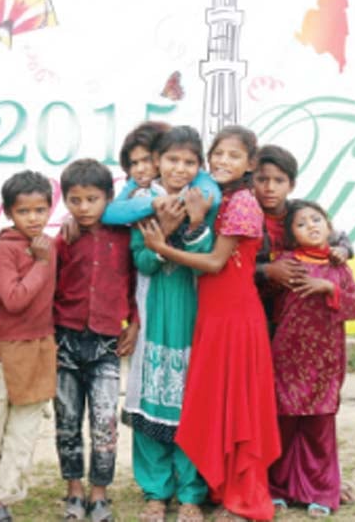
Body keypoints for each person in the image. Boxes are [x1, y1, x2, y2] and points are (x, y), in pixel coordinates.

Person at [139, 126, 280, 521]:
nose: (223, 162)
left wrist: (163, 248)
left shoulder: (243, 204)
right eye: (218, 154)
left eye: (234, 156)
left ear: (250, 163)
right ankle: (221, 489)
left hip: (235, 316)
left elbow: (216, 263)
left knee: (239, 407)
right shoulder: (222, 197)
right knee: (219, 402)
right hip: (213, 315)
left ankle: (245, 498)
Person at [123, 127, 219, 522]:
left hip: (194, 316)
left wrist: (194, 221)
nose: (180, 169)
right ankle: (155, 492)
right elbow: (143, 261)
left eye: (189, 162)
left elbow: (211, 256)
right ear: (157, 162)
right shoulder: (142, 203)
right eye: (172, 160)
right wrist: (161, 229)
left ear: (199, 167)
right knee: (150, 403)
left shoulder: (207, 202)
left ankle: (192, 494)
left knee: (192, 405)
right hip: (154, 315)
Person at [54, 159, 139, 522]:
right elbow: (50, 282)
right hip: (65, 339)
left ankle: (100, 492)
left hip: (107, 343)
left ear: (109, 197)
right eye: (75, 200)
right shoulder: (65, 237)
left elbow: (136, 284)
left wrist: (134, 323)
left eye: (92, 199)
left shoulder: (125, 235)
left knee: (104, 422)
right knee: (67, 419)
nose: (84, 207)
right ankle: (74, 490)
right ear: (65, 201)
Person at [268, 200, 355, 518]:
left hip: (325, 361)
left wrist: (328, 287)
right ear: (291, 236)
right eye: (301, 223)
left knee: (319, 427)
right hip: (287, 359)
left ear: (329, 226)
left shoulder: (338, 267)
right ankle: (279, 488)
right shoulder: (284, 262)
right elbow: (269, 299)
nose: (311, 225)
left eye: (316, 219)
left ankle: (321, 491)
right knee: (284, 422)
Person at [0, 170, 57, 522]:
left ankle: (2, 501)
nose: (34, 218)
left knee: (23, 433)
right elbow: (13, 299)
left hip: (40, 349)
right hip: (5, 353)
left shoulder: (51, 246)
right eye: (25, 211)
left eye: (41, 210)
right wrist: (39, 263)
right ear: (9, 213)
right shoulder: (5, 251)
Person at [252, 145, 354, 334]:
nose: (270, 188)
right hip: (258, 308)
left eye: (279, 180)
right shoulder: (244, 215)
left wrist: (343, 250)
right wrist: (268, 270)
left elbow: (338, 236)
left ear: (291, 185)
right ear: (251, 181)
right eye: (262, 180)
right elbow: (233, 266)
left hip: (300, 312)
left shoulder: (300, 214)